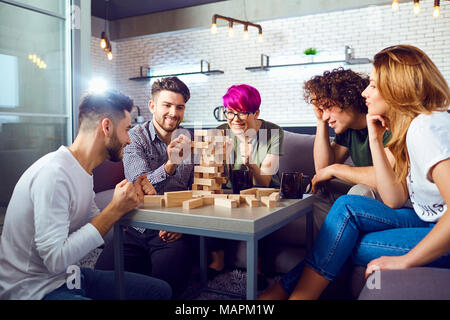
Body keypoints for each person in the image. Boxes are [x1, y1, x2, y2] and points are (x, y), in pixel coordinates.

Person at [259, 44, 450, 300]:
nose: (364, 92)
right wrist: (374, 138)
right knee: (346, 208)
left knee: (340, 243)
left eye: (372, 84)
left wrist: (404, 261)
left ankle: (287, 294)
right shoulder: (409, 128)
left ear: (397, 86)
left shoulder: (426, 128)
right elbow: (393, 198)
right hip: (423, 219)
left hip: (434, 226)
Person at [0, 89, 172, 300]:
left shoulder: (82, 170)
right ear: (106, 127)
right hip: (35, 291)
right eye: (126, 129)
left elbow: (93, 222)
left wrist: (129, 202)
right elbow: (55, 260)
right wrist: (114, 209)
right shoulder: (54, 175)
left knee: (159, 291)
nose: (129, 139)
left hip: (71, 278)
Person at [95, 77, 195, 298]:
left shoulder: (189, 138)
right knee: (101, 281)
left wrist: (182, 224)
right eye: (167, 105)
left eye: (179, 107)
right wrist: (169, 166)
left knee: (167, 289)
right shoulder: (134, 137)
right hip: (136, 227)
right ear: (152, 106)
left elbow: (196, 190)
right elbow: (140, 185)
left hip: (172, 229)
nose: (173, 112)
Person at [207, 84, 284, 285]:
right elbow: (216, 177)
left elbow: (265, 181)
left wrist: (250, 162)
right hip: (229, 192)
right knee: (210, 203)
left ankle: (258, 267)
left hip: (263, 192)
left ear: (256, 112)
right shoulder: (221, 132)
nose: (234, 120)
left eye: (241, 113)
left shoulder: (273, 132)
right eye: (229, 113)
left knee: (261, 209)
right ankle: (218, 261)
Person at [304, 68, 393, 235]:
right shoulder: (349, 129)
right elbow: (322, 169)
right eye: (321, 110)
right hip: (363, 197)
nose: (325, 116)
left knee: (359, 192)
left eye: (328, 107)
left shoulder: (384, 122)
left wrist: (335, 169)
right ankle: (340, 239)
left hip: (391, 197)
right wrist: (320, 121)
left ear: (349, 99)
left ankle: (339, 242)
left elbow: (383, 179)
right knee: (316, 193)